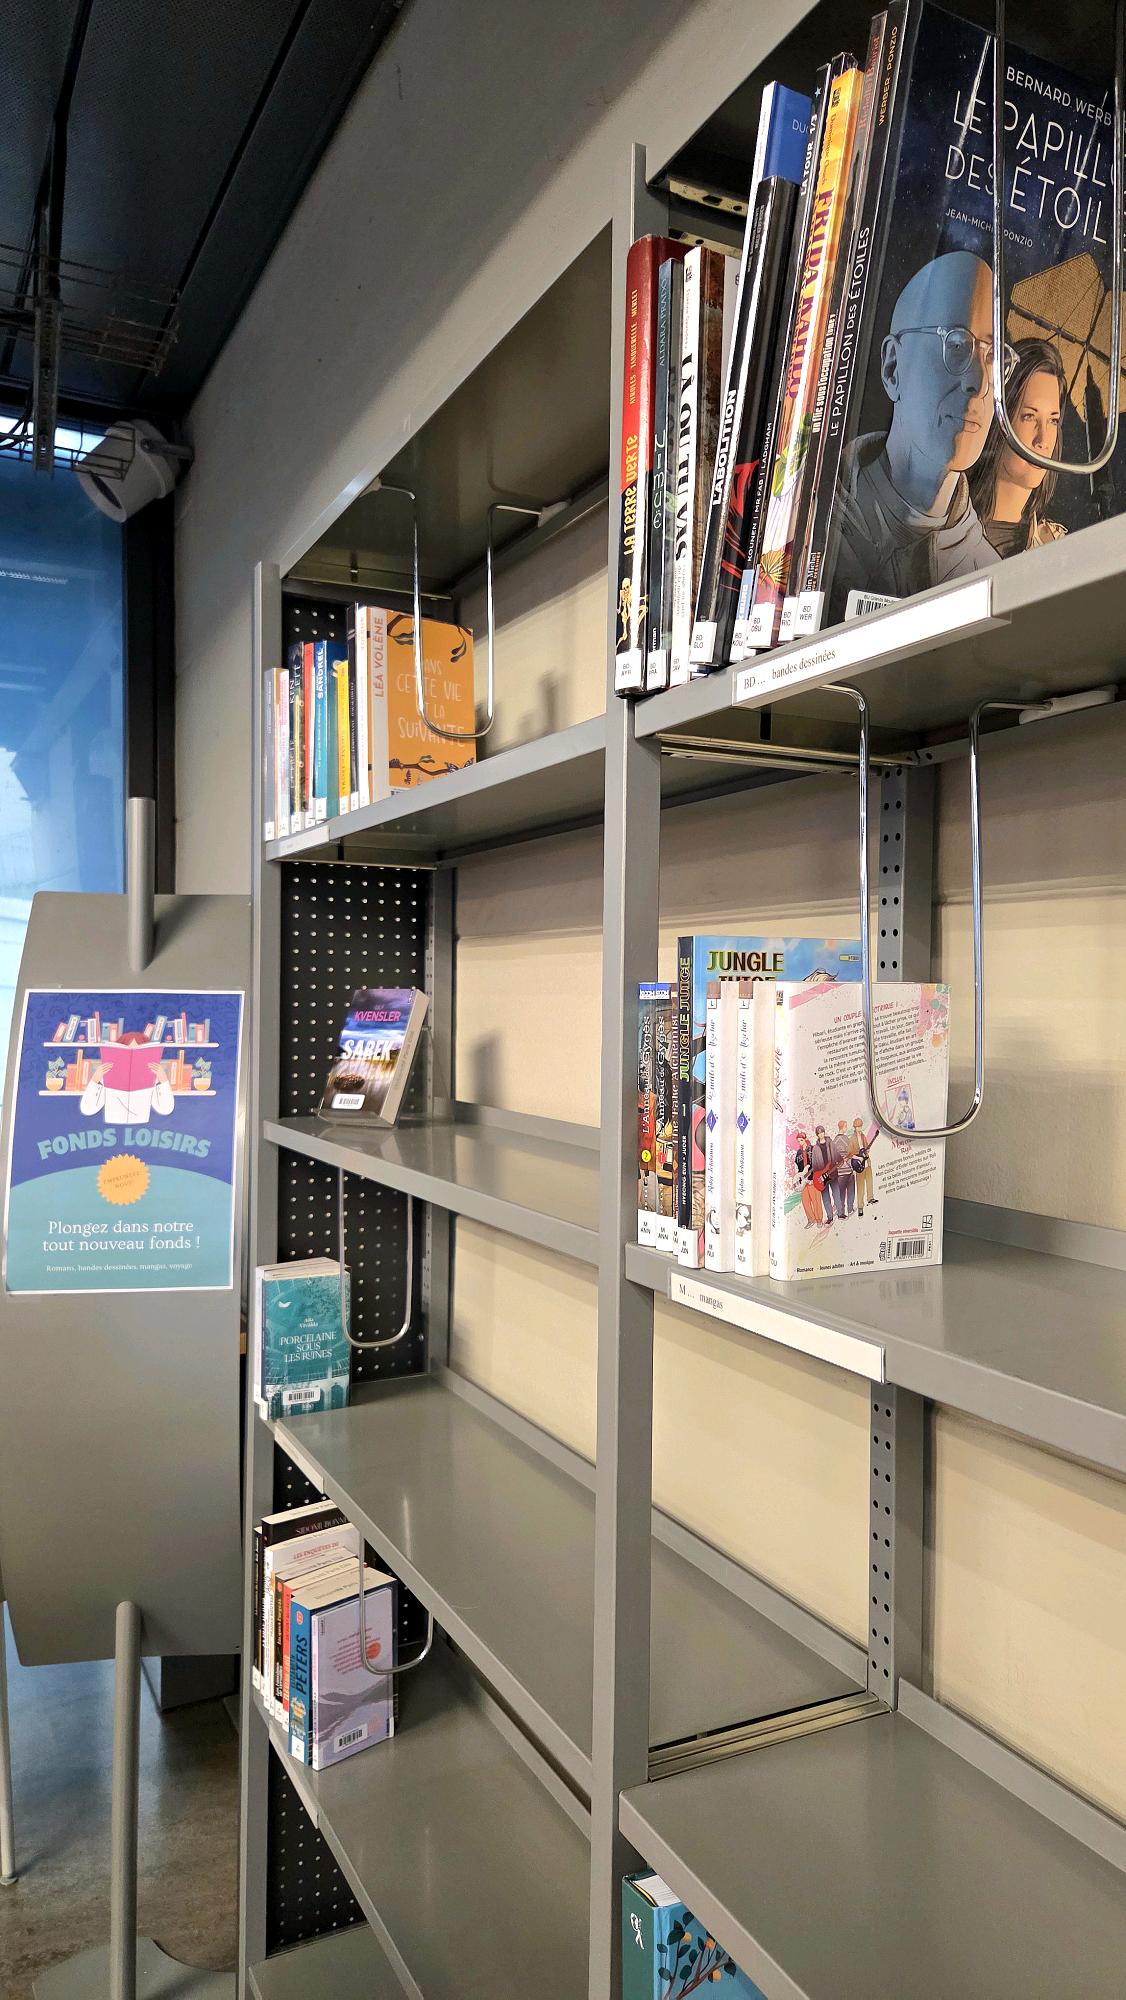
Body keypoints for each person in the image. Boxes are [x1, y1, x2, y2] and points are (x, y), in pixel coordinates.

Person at [835, 249, 1008, 601]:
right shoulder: (806, 527)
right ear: (893, 368)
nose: (980, 383)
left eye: (993, 357)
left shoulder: (992, 579)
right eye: (956, 344)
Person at [968, 338, 1069, 557]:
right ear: (999, 420)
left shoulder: (1056, 548)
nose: (1043, 440)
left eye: (1053, 420)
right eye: (1029, 417)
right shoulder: (946, 532)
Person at [79, 1032, 175, 1126]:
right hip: (113, 1124)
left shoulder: (152, 1078)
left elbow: (165, 1109)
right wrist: (95, 1079)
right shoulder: (108, 1076)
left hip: (141, 1124)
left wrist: (163, 1080)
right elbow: (87, 1109)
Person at [794, 1131, 824, 1227]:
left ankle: (819, 1220)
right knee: (805, 1201)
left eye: (801, 1140)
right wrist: (798, 1177)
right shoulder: (798, 1152)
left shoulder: (813, 1148)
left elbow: (820, 1163)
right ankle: (811, 1219)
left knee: (816, 1200)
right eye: (798, 1141)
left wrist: (815, 1176)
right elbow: (797, 1166)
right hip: (803, 1181)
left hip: (813, 1180)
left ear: (805, 1139)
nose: (800, 1142)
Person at [809, 1124, 837, 1225]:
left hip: (832, 1173)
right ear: (817, 1134)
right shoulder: (815, 1148)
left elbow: (836, 1154)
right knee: (825, 1198)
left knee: (836, 1194)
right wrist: (817, 1177)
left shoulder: (830, 1143)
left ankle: (840, 1213)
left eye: (822, 1132)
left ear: (824, 1132)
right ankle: (830, 1217)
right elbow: (814, 1164)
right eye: (819, 1133)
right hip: (822, 1176)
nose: (821, 1134)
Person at [850, 1118, 875, 1215]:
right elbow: (849, 1153)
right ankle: (860, 1206)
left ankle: (870, 1198)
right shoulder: (852, 1139)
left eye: (860, 1126)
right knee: (860, 1186)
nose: (859, 1128)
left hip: (867, 1162)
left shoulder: (863, 1136)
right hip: (858, 1164)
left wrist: (867, 1151)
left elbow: (866, 1147)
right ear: (855, 1127)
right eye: (858, 1127)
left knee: (869, 1181)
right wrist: (858, 1158)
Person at [832, 1122, 856, 1217]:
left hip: (839, 1173)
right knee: (851, 1191)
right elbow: (851, 1154)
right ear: (843, 1127)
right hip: (849, 1170)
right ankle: (850, 1209)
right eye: (846, 1126)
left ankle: (841, 1213)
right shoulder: (846, 1139)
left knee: (841, 1193)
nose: (847, 1128)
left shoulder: (834, 1141)